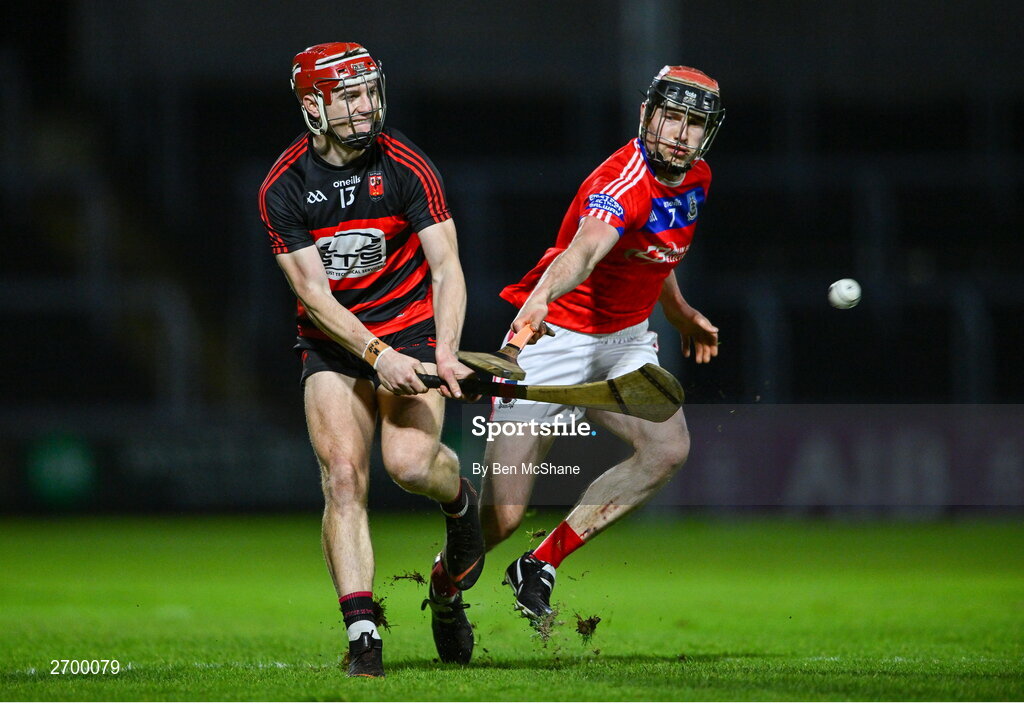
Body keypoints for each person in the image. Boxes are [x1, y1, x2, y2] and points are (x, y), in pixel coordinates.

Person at [257, 42, 484, 677]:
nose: (366, 106)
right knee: (344, 476)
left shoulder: (408, 165)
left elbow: (447, 268)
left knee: (409, 465)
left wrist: (443, 349)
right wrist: (373, 354)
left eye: (369, 92)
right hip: (335, 344)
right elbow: (312, 294)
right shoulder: (284, 187)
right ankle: (363, 633)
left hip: (411, 330)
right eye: (349, 96)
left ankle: (461, 502)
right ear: (314, 107)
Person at [479, 65, 725, 623]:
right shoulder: (622, 183)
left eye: (694, 123)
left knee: (668, 447)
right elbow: (587, 251)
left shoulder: (698, 179)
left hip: (624, 343)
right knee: (502, 517)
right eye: (672, 117)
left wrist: (680, 312)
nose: (680, 133)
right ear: (647, 114)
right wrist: (539, 299)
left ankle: (540, 564)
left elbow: (654, 250)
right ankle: (447, 586)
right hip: (553, 338)